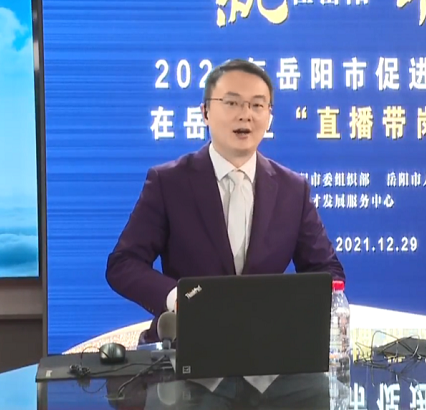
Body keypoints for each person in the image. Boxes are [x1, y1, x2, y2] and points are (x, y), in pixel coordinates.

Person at [106, 59, 345, 344]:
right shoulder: (169, 182)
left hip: (268, 350)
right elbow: (124, 264)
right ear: (205, 112)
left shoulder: (293, 189)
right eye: (232, 103)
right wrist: (178, 298)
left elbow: (328, 272)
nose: (246, 115)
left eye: (257, 105)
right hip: (186, 345)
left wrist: (287, 308)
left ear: (269, 116)